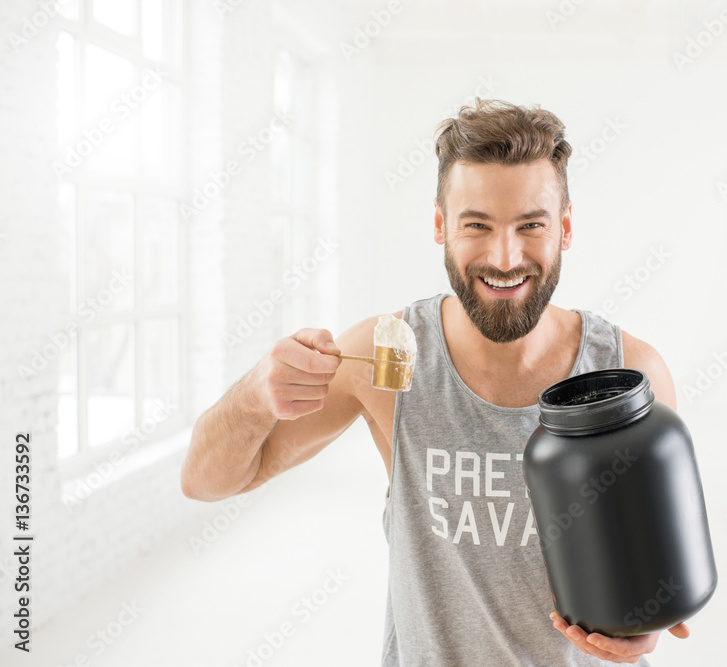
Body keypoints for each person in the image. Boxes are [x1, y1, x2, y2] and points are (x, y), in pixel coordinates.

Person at [181, 98, 691, 665]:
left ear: (564, 228)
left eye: (531, 225)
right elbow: (206, 481)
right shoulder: (383, 357)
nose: (505, 257)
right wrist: (255, 395)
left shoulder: (631, 375)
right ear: (439, 226)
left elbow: (657, 565)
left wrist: (646, 624)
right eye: (477, 224)